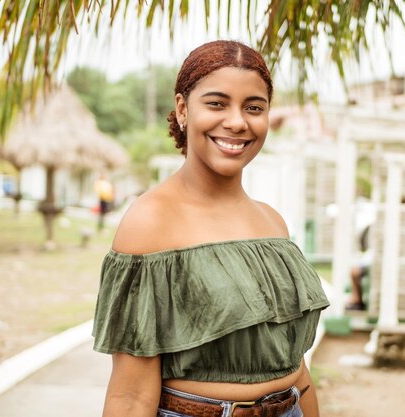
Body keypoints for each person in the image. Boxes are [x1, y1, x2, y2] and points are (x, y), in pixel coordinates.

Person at [92, 40, 330, 417]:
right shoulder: (150, 221)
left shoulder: (272, 222)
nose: (237, 121)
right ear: (183, 108)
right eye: (217, 104)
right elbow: (131, 397)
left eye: (254, 107)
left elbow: (297, 369)